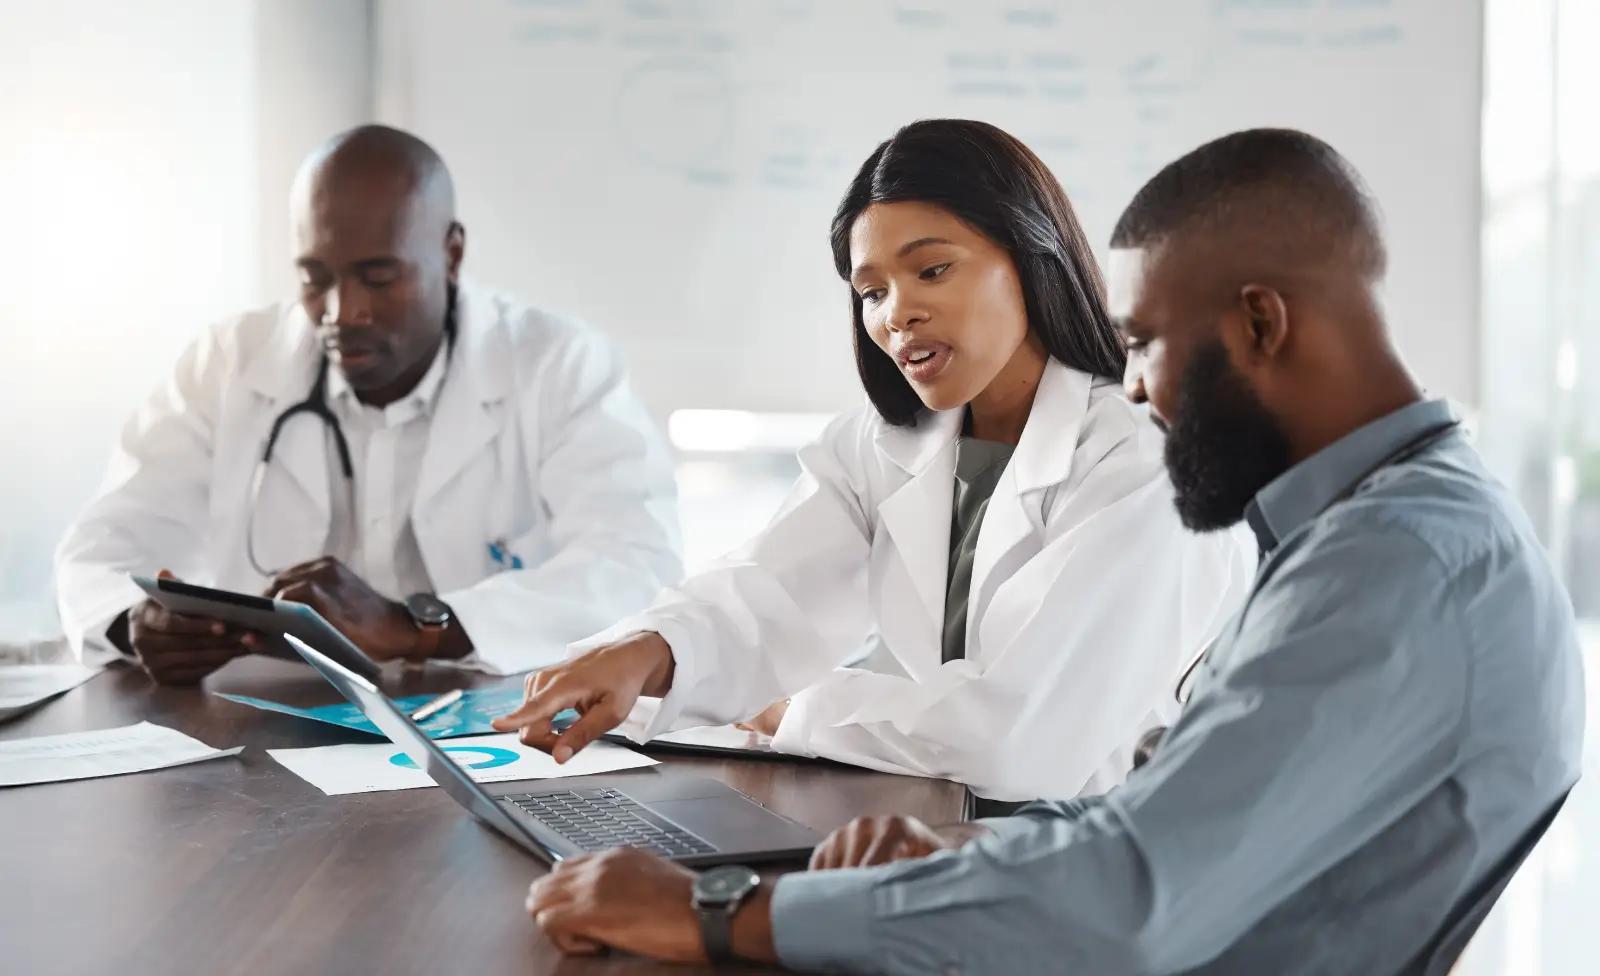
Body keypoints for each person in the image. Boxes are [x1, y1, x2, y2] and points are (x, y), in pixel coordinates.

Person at [515, 129, 1585, 973]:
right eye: (870, 289)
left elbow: (1130, 895)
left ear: (1258, 322)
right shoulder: (1364, 528)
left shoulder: (1395, 561)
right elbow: (1154, 807)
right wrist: (968, 854)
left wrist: (726, 907)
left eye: (1149, 343)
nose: (1133, 384)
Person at [493, 118, 1252, 812]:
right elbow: (769, 591)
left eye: (932, 271)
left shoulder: (1147, 460)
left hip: (1125, 858)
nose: (897, 314)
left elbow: (1018, 740)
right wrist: (649, 652)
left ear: (1030, 255)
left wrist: (791, 710)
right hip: (955, 826)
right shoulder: (888, 441)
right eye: (872, 290)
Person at [54, 125, 681, 681]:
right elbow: (103, 551)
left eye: (379, 279)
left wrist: (419, 626)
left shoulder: (558, 363)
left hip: (495, 727)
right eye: (315, 277)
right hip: (265, 726)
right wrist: (134, 624)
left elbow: (636, 567)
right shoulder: (229, 361)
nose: (342, 312)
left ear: (452, 253)